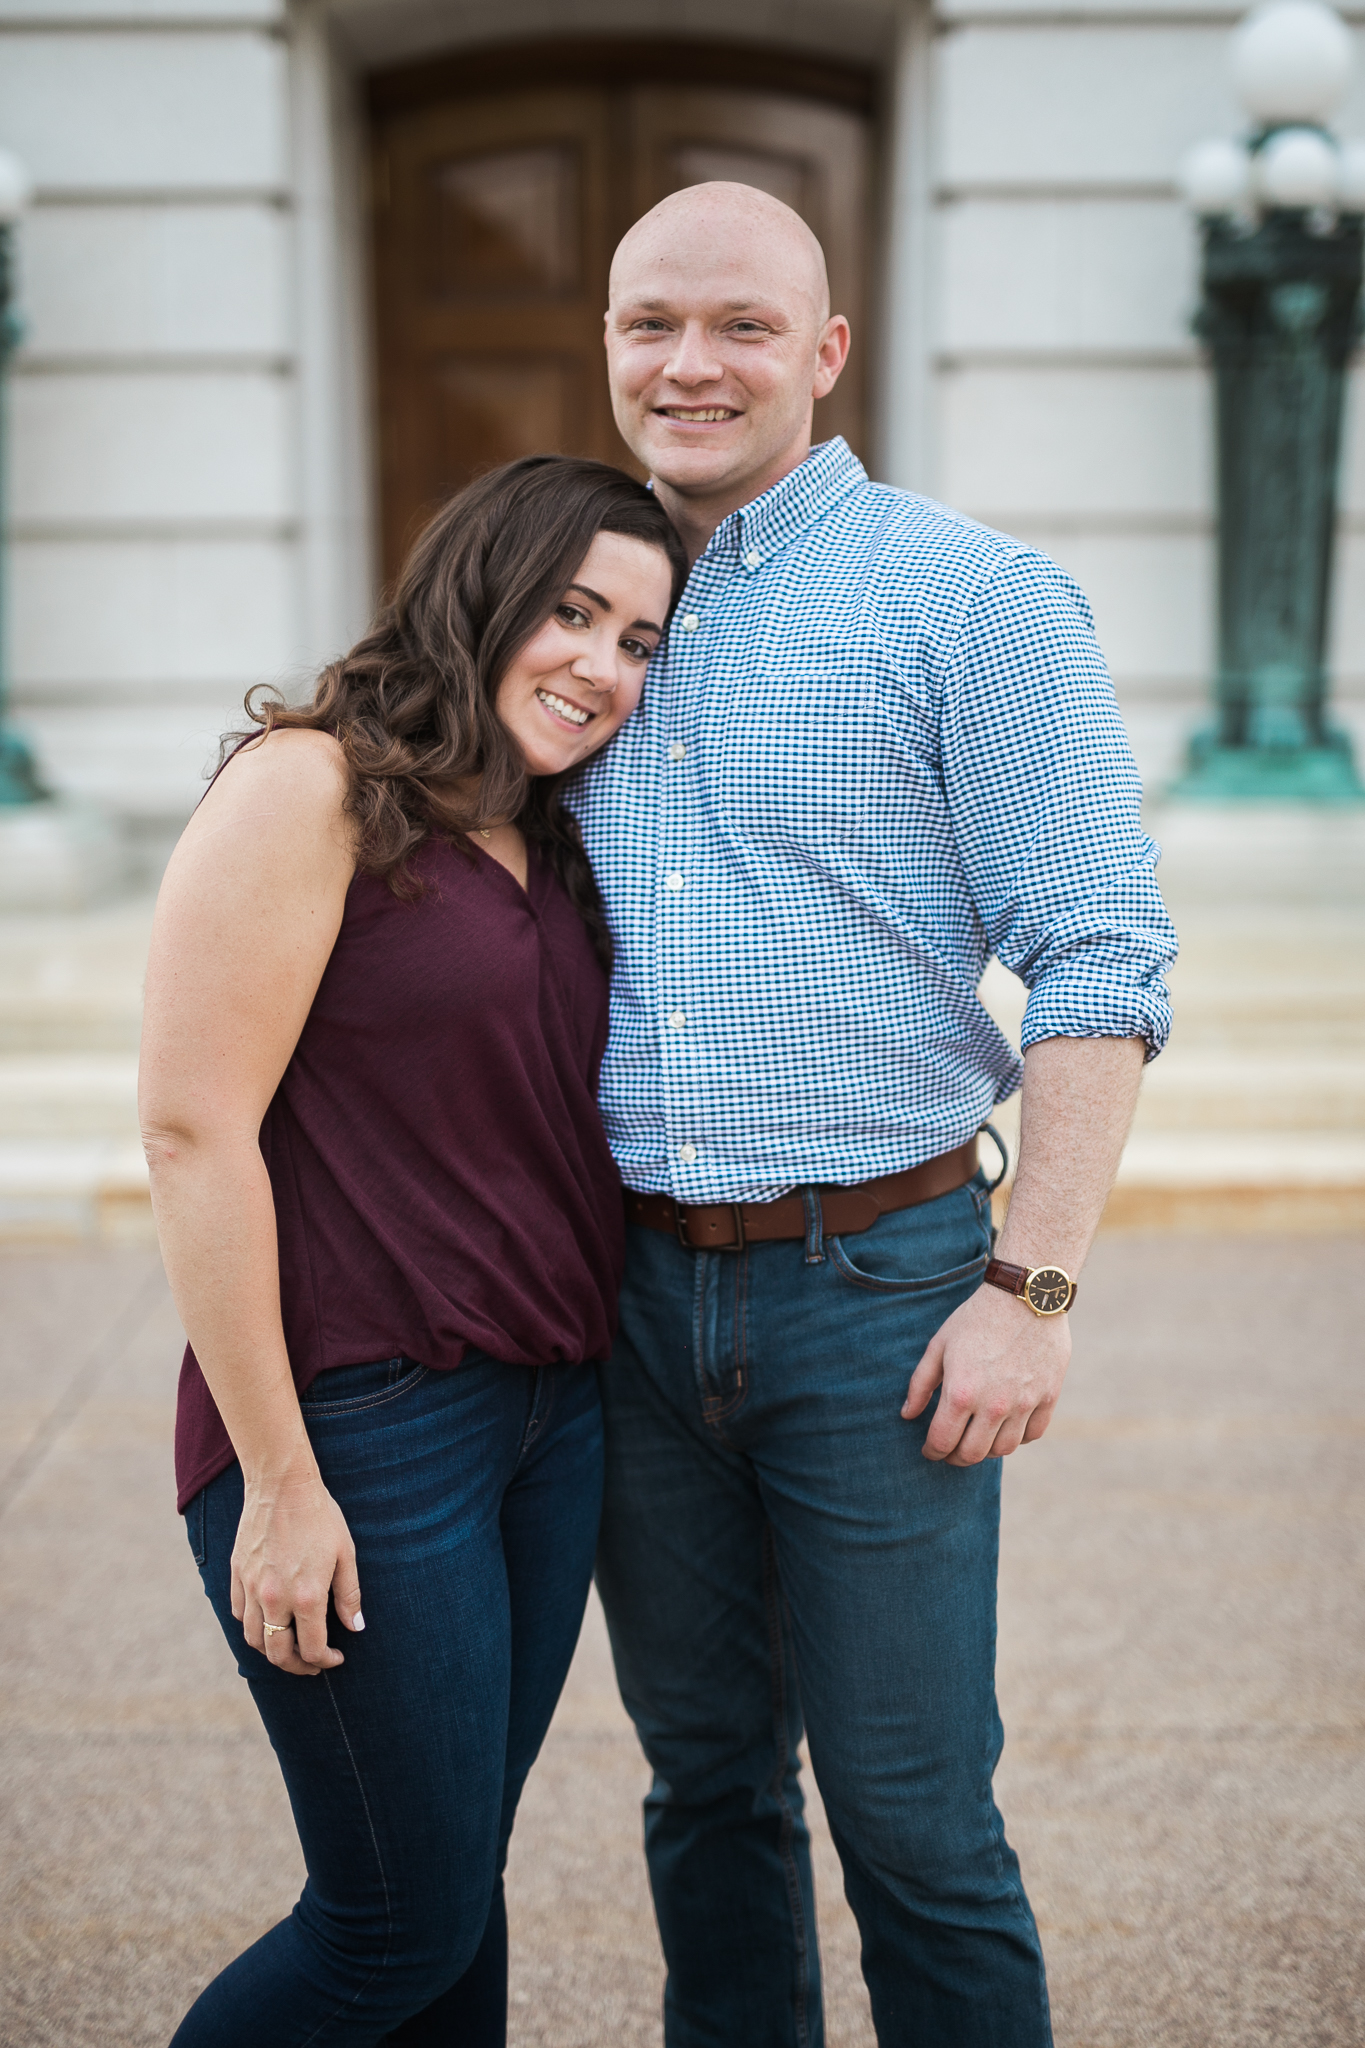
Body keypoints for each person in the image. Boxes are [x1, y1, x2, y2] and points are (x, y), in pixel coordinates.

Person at [566, 182, 1179, 2047]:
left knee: (916, 1826)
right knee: (706, 1799)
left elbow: (1100, 955)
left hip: (880, 1293)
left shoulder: (967, 597)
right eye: (650, 323)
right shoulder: (565, 605)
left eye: (742, 325)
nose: (690, 364)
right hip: (622, 1309)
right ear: (607, 348)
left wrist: (1034, 1289)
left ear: (823, 354)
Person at [139, 455, 686, 2046]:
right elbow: (192, 1135)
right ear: (482, 589)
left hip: (545, 1418)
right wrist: (284, 1484)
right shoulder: (310, 788)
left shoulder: (554, 832)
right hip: (361, 1426)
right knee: (385, 1926)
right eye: (571, 612)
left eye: (640, 641)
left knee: (454, 1889)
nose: (599, 665)